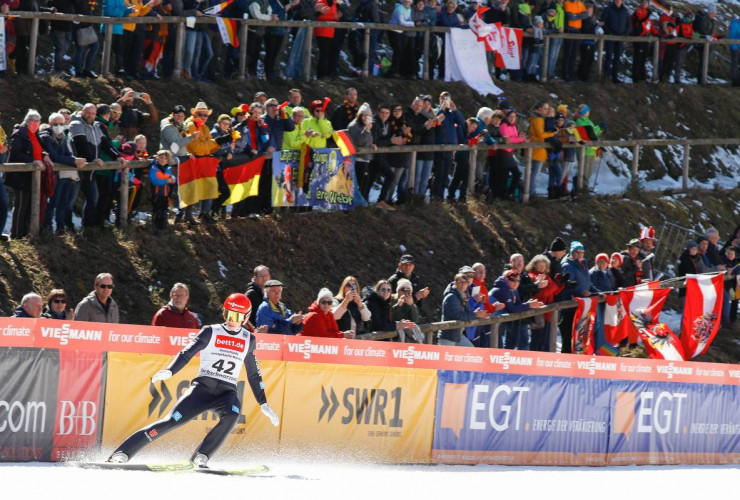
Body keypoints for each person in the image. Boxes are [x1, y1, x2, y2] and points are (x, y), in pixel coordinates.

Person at [107, 293, 280, 467]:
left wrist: (263, 402)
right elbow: (186, 353)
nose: (231, 320)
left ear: (245, 318)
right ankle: (122, 452)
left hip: (226, 393)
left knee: (233, 415)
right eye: (228, 314)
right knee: (171, 421)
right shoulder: (210, 331)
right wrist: (170, 371)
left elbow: (253, 373)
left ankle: (201, 456)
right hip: (202, 389)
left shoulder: (248, 339)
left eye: (236, 316)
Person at [69, 103, 127, 228]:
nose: (90, 115)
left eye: (93, 113)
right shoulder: (76, 124)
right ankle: (64, 227)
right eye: (88, 112)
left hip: (90, 170)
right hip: (77, 169)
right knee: (70, 200)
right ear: (82, 111)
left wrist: (117, 156)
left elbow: (106, 144)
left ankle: (88, 226)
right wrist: (93, 159)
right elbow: (81, 144)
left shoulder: (95, 125)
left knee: (93, 197)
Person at [5, 109, 54, 239]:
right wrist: (33, 161)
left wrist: (44, 155)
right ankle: (16, 235)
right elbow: (16, 153)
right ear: (27, 121)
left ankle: (26, 233)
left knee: (30, 206)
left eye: (38, 121)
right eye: (33, 121)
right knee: (21, 205)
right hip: (20, 176)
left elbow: (39, 148)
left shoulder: (35, 134)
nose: (36, 124)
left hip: (32, 176)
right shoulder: (19, 134)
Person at [40, 112, 87, 234]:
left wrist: (76, 160)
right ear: (50, 124)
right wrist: (73, 160)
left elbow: (67, 153)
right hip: (52, 175)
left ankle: (60, 229)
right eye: (56, 124)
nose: (59, 126)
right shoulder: (45, 136)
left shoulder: (62, 136)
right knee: (52, 202)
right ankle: (47, 229)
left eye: (61, 124)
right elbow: (54, 156)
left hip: (61, 174)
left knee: (62, 201)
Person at [560, 241, 598, 353]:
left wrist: (597, 292)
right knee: (568, 335)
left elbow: (588, 283)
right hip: (570, 306)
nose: (580, 254)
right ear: (572, 252)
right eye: (578, 251)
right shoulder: (568, 265)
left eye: (582, 252)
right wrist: (581, 292)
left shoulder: (583, 264)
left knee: (579, 335)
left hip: (581, 306)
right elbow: (568, 284)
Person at [438, 273, 490, 347]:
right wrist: (475, 314)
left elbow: (467, 312)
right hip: (448, 335)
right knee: (445, 358)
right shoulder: (451, 297)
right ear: (455, 283)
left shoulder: (463, 296)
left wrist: (478, 313)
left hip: (457, 334)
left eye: (465, 283)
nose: (463, 285)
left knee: (470, 352)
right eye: (460, 282)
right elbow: (458, 315)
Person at [525, 255, 563, 351]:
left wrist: (561, 284)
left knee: (546, 340)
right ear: (534, 265)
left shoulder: (546, 276)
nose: (542, 267)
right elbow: (542, 293)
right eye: (540, 265)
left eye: (544, 265)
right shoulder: (532, 276)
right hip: (539, 313)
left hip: (547, 313)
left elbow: (553, 292)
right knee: (537, 339)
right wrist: (555, 284)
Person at [599, 0, 630, 83]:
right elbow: (602, 22)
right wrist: (608, 32)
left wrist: (625, 33)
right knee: (609, 55)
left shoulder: (625, 10)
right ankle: (606, 76)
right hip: (611, 36)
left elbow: (628, 24)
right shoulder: (608, 9)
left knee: (617, 57)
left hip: (620, 37)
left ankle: (614, 76)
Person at [528, 102, 554, 198]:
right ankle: (531, 192)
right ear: (539, 109)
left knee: (534, 172)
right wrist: (552, 134)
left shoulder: (539, 119)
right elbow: (541, 135)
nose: (547, 111)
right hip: (537, 149)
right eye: (545, 108)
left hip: (538, 149)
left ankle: (531, 191)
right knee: (535, 173)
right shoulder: (538, 119)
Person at [630, 0, 656, 83]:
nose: (645, 4)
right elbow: (640, 19)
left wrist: (657, 34)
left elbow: (651, 27)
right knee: (638, 57)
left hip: (646, 39)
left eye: (646, 3)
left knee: (644, 58)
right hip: (639, 38)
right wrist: (647, 14)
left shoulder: (648, 16)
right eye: (644, 2)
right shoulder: (638, 11)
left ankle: (642, 76)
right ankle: (635, 76)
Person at [562, 0, 588, 81]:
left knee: (574, 53)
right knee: (568, 52)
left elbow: (586, 15)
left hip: (577, 30)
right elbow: (570, 17)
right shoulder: (567, 3)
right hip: (569, 29)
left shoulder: (580, 3)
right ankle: (565, 73)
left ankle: (571, 73)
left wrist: (577, 15)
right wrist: (579, 15)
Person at [392, 278, 424, 343]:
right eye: (403, 289)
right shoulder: (392, 300)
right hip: (395, 332)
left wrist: (411, 305)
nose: (405, 292)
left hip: (408, 332)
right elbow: (389, 315)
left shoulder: (410, 303)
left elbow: (415, 320)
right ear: (398, 291)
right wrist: (398, 305)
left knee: (415, 329)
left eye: (408, 290)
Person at [731, 15, 740, 87]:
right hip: (735, 47)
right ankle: (734, 81)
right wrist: (734, 47)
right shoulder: (735, 25)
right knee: (735, 63)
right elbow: (732, 36)